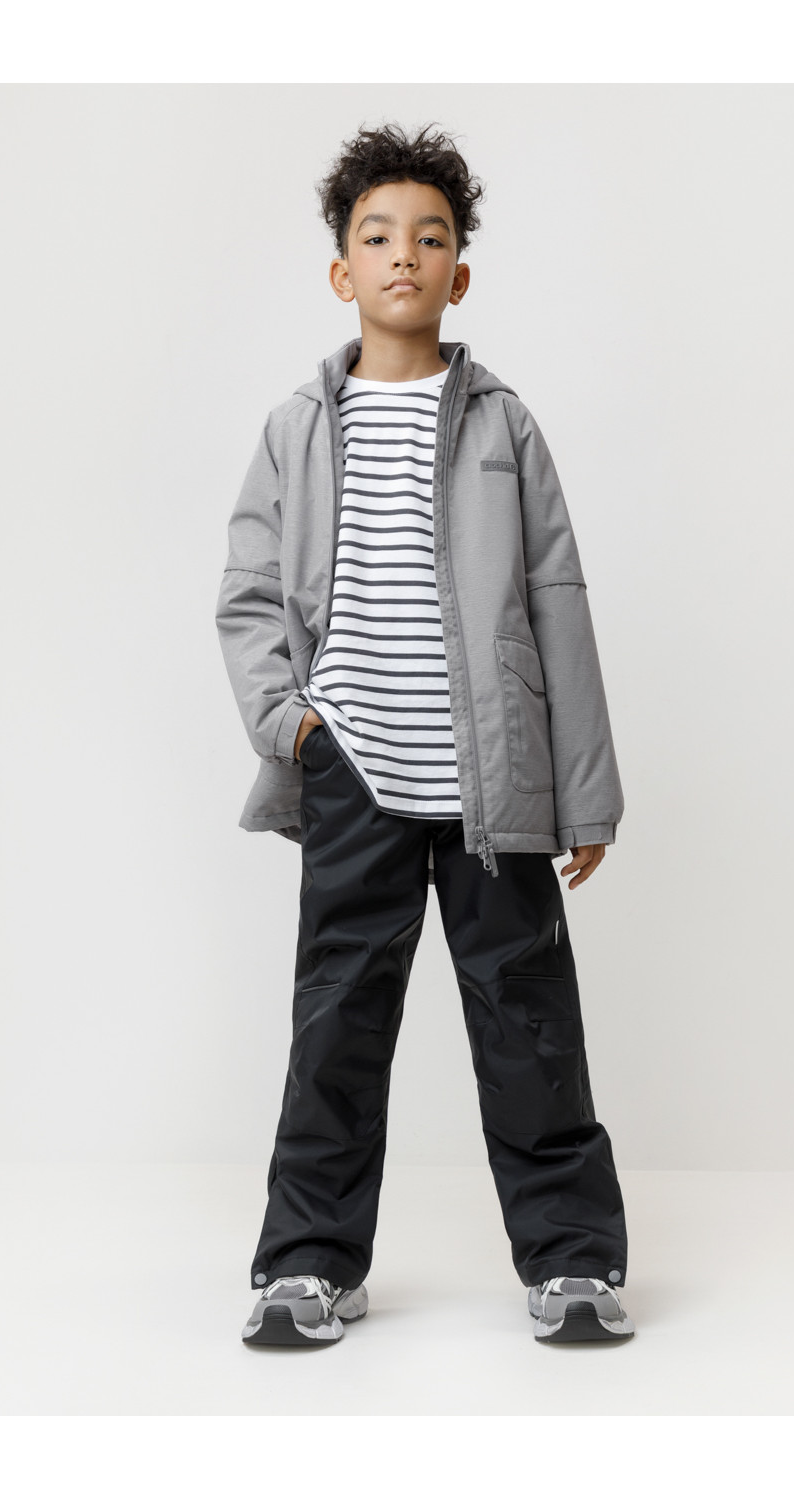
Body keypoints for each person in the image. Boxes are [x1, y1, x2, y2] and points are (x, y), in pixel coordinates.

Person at [215, 121, 635, 1347]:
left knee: (528, 1024)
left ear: (460, 273)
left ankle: (573, 1263)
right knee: (337, 1022)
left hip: (492, 781)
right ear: (340, 270)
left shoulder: (503, 425)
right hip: (351, 766)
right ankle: (307, 1265)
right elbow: (248, 593)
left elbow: (558, 603)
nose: (405, 253)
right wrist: (292, 727)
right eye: (378, 235)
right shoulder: (299, 425)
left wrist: (585, 795)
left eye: (431, 236)